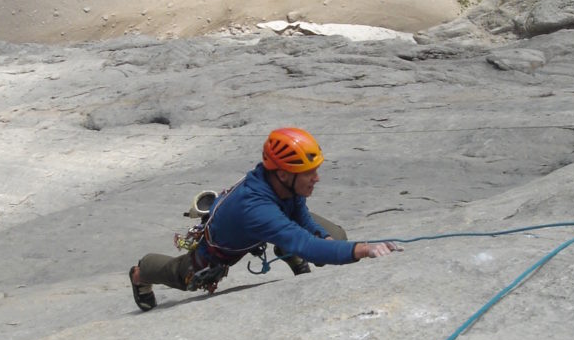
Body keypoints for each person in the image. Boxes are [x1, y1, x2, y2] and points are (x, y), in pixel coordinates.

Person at [129, 127, 402, 311]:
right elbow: (305, 243)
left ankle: (285, 248)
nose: (317, 178)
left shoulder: (284, 183)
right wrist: (364, 249)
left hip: (265, 225)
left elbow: (301, 218)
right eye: (310, 172)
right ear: (284, 174)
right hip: (223, 246)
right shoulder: (256, 206)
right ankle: (141, 272)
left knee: (336, 239)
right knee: (187, 279)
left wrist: (328, 240)